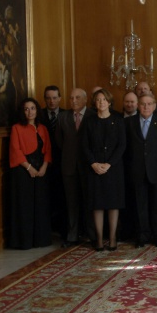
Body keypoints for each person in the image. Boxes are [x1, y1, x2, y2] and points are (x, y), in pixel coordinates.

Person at [82, 89, 126, 251]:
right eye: (98, 100)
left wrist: (109, 164)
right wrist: (94, 163)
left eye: (104, 99)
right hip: (94, 169)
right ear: (95, 103)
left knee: (113, 204)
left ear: (109, 102)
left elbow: (122, 145)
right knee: (97, 205)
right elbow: (84, 146)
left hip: (113, 169)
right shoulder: (89, 121)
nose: (101, 102)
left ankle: (113, 238)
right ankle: (99, 238)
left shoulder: (118, 120)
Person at [8, 97, 52, 249]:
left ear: (37, 110)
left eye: (32, 108)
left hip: (41, 171)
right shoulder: (16, 128)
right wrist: (29, 168)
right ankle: (25, 241)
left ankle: (41, 240)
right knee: (25, 206)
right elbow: (16, 151)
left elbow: (48, 150)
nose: (30, 112)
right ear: (22, 111)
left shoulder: (43, 128)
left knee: (40, 205)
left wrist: (44, 167)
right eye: (26, 109)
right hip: (23, 172)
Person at [125, 92, 157, 247]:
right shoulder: (129, 122)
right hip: (137, 170)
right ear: (137, 106)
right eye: (143, 104)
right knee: (139, 205)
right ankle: (142, 236)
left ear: (155, 106)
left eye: (149, 104)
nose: (146, 107)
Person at [56, 88, 96, 247]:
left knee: (90, 202)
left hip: (89, 167)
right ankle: (72, 236)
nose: (73, 100)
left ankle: (93, 235)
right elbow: (59, 141)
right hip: (69, 166)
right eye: (71, 98)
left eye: (77, 97)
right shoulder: (62, 117)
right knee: (71, 203)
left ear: (85, 100)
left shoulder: (93, 115)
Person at [42, 85, 65, 237]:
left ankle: (62, 228)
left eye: (54, 98)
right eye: (48, 98)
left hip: (63, 162)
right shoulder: (39, 115)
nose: (51, 101)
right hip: (44, 163)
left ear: (59, 98)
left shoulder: (66, 115)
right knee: (47, 197)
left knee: (62, 196)